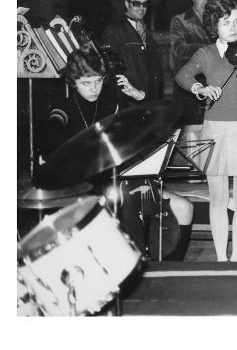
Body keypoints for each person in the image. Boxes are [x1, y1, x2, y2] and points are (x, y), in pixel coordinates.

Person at [40, 48, 194, 261]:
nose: (94, 89)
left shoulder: (111, 103)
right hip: (91, 189)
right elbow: (49, 138)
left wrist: (138, 96)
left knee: (184, 208)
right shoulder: (64, 110)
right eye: (86, 83)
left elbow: (150, 123)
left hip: (125, 182)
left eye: (98, 81)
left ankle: (170, 269)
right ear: (73, 82)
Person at [175, 0, 237, 262]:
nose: (233, 27)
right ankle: (220, 259)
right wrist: (200, 87)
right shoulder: (205, 53)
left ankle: (236, 258)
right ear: (213, 25)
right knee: (217, 199)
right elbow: (183, 75)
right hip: (215, 129)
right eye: (226, 22)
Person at [100, 0, 163, 107]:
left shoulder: (145, 30)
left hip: (148, 100)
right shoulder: (114, 30)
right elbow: (113, 70)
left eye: (144, 4)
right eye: (136, 3)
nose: (141, 8)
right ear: (126, 4)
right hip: (129, 100)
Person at [169, 0, 215, 142]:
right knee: (190, 142)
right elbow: (179, 49)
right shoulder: (180, 20)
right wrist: (210, 49)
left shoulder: (216, 21)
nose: (206, 2)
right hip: (189, 89)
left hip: (212, 86)